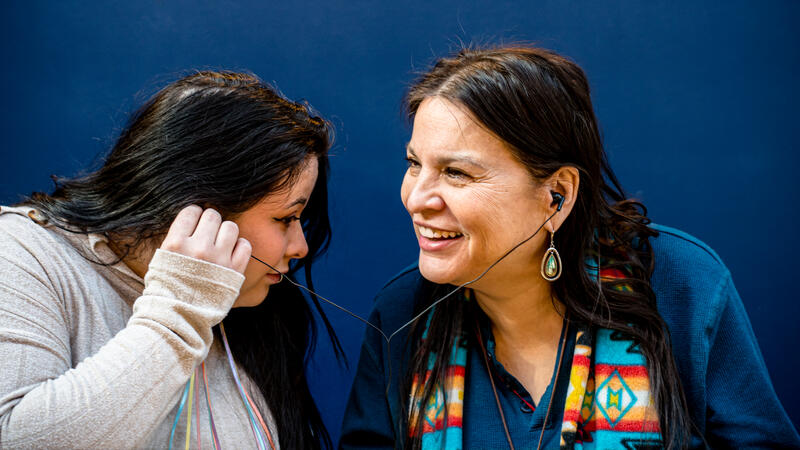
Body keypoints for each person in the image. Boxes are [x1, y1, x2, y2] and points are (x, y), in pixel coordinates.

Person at [340, 46, 800, 449]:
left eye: (457, 173)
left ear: (556, 195)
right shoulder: (401, 316)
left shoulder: (684, 288)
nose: (416, 198)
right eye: (414, 164)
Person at [0, 71, 342, 449]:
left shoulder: (256, 306)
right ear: (192, 206)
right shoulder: (22, 251)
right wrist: (181, 308)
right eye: (284, 218)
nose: (300, 247)